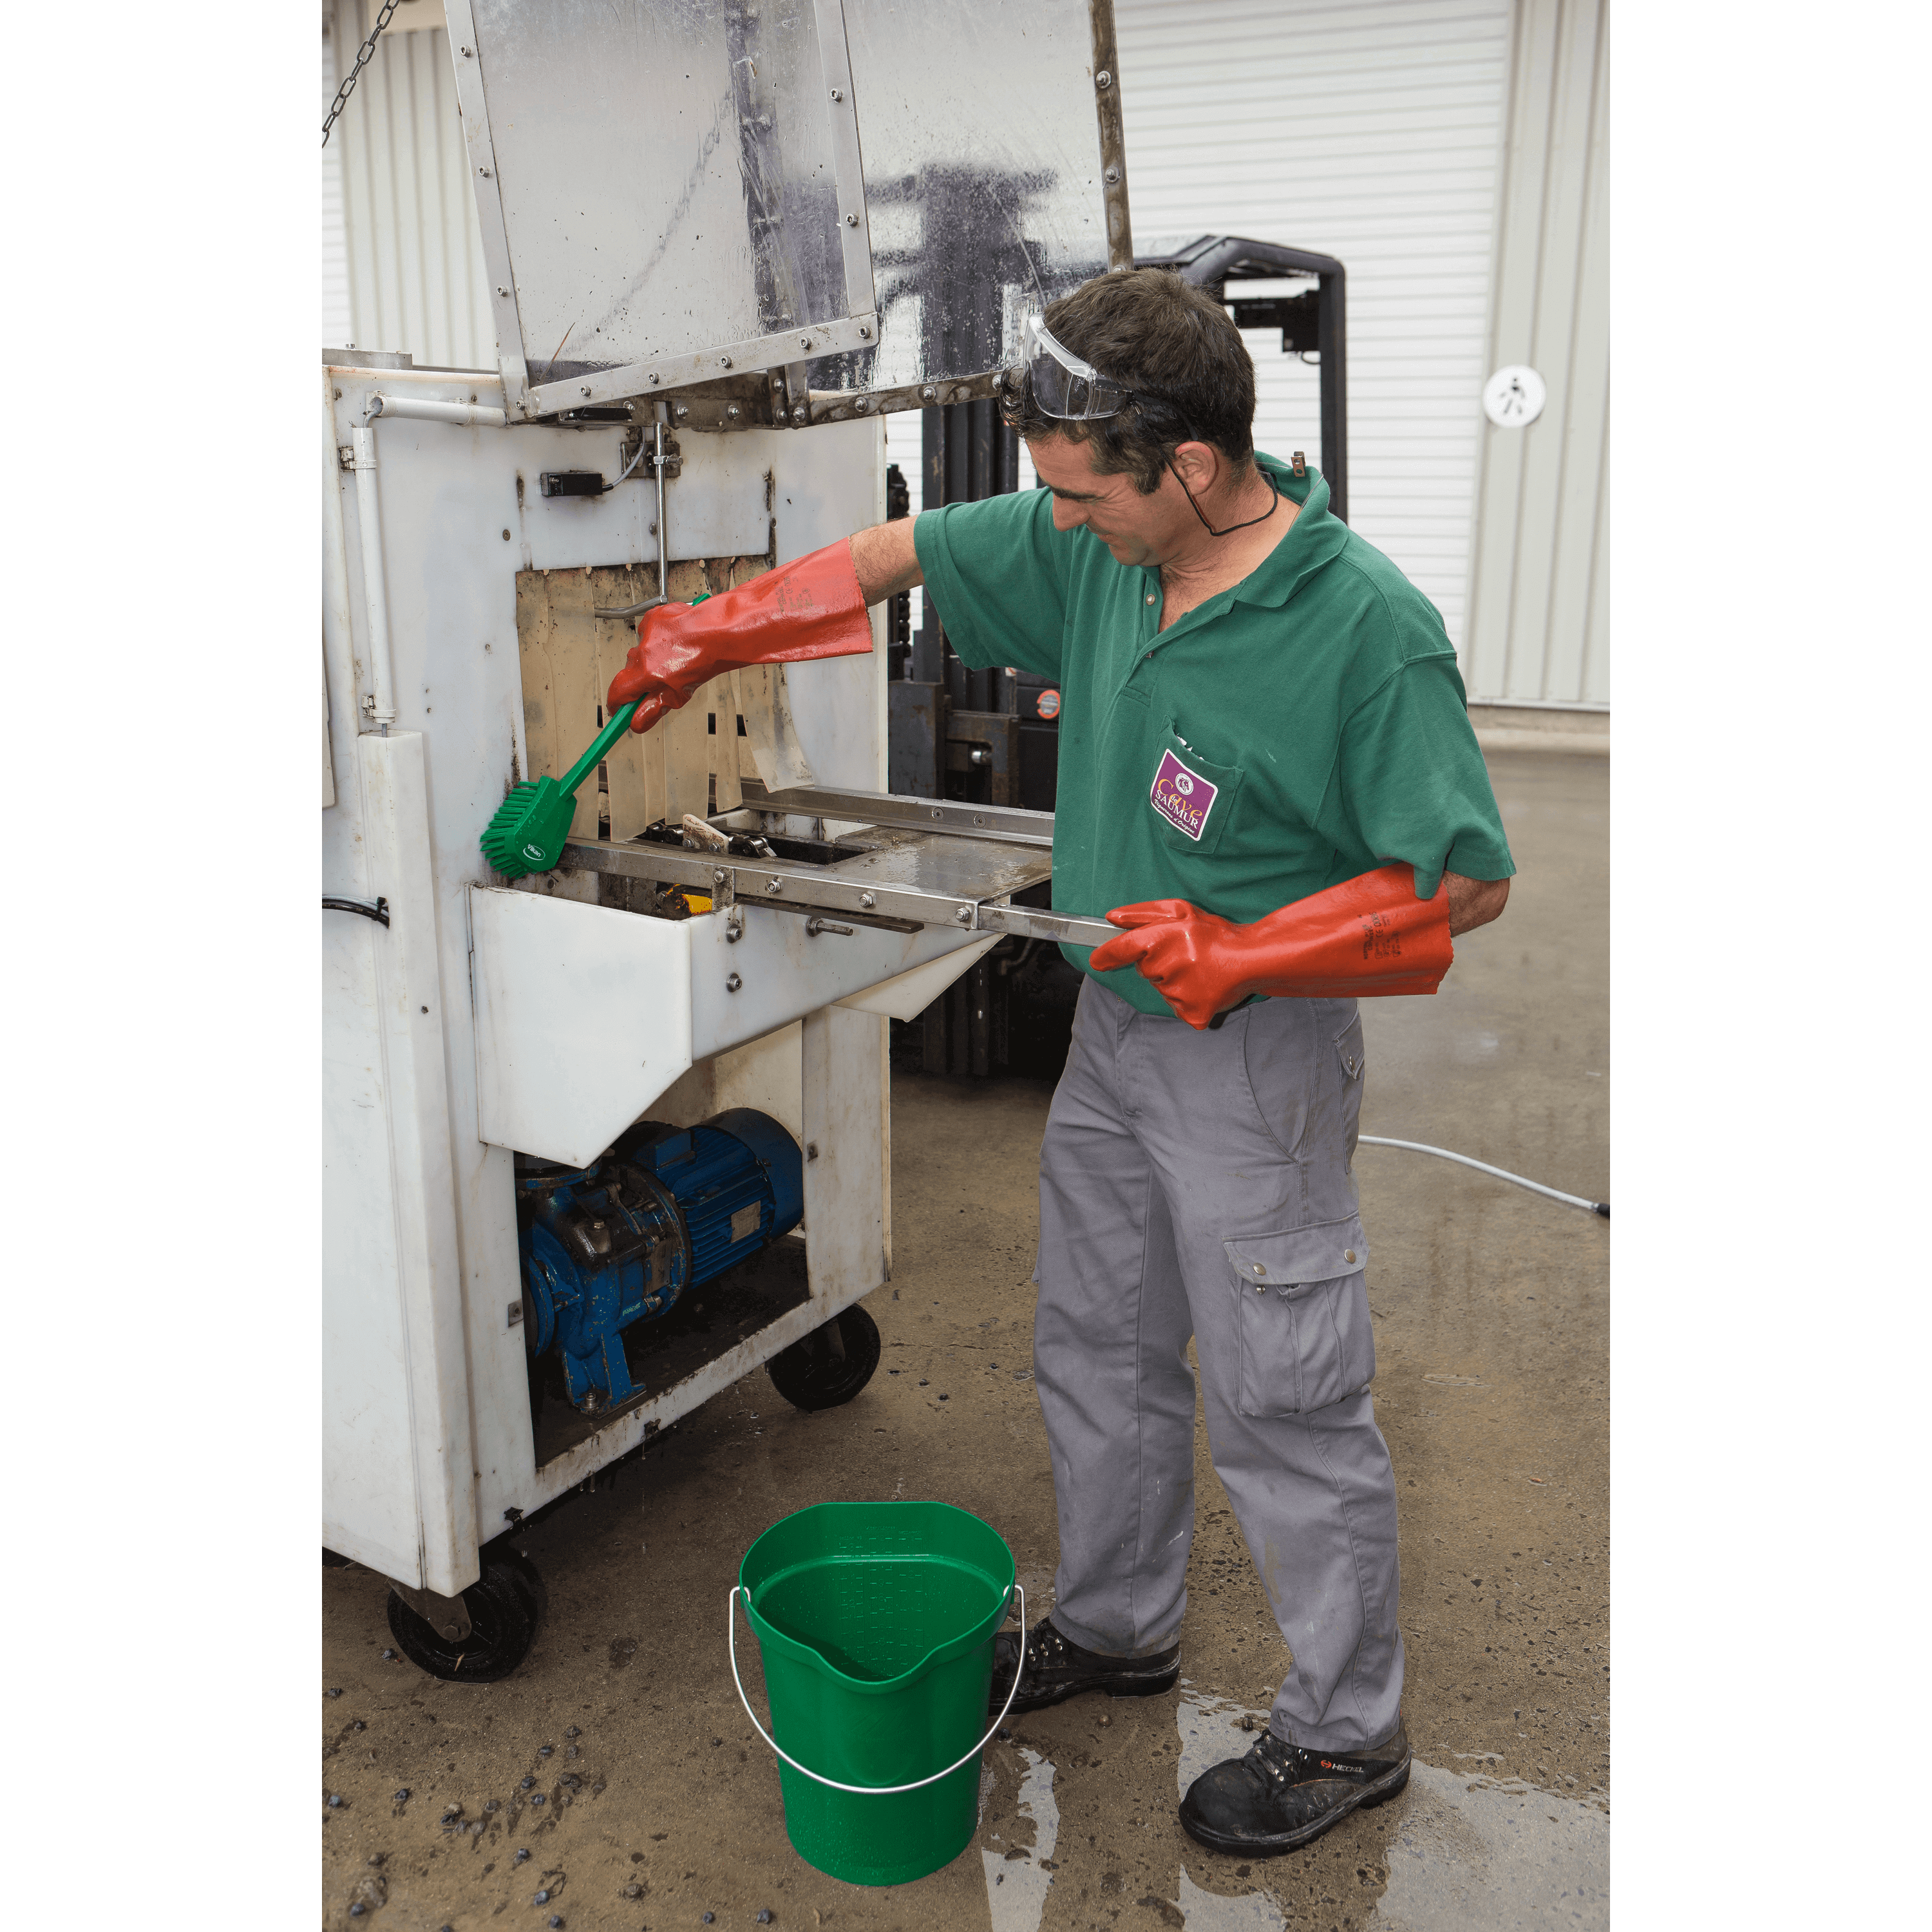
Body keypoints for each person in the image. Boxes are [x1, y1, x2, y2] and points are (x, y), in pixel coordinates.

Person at [608, 269, 1515, 1857]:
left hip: (1253, 1059)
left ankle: (1345, 1731)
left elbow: (1456, 886)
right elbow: (896, 552)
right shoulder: (1102, 549)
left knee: (1285, 1400)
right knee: (1094, 1345)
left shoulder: (1363, 629)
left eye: (1080, 494)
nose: (1058, 521)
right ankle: (1116, 1626)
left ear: (1186, 464)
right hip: (1111, 1029)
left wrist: (1241, 950)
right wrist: (709, 639)